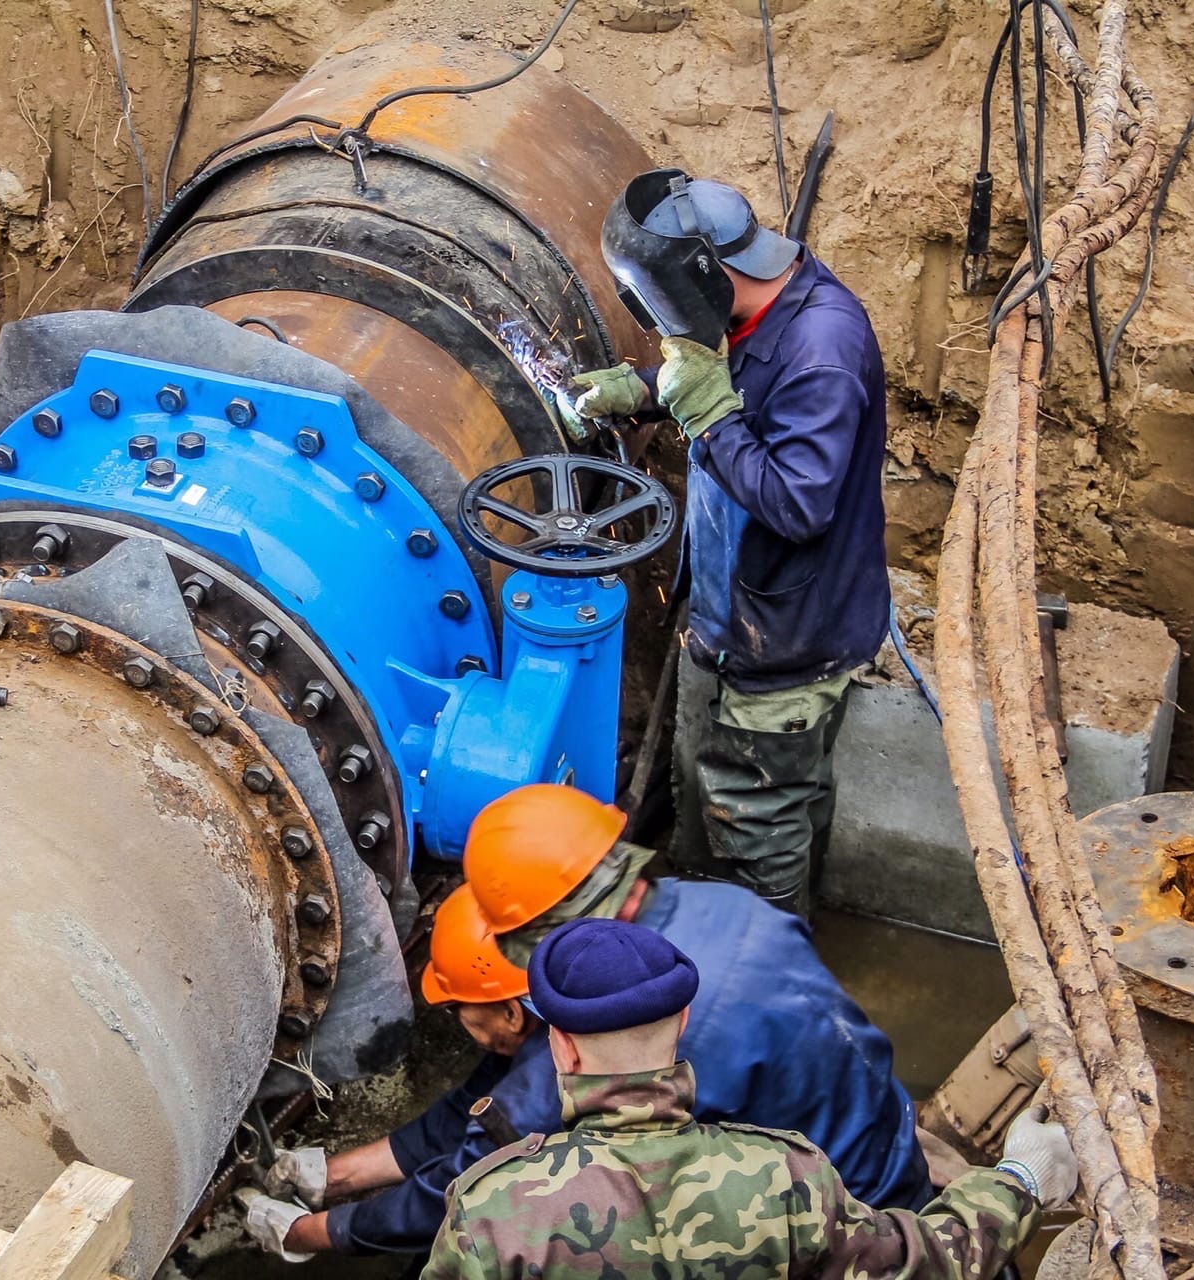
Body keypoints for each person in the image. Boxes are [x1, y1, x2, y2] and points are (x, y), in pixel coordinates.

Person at [239, 784, 930, 1263]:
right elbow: (479, 1111)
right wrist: (334, 1174)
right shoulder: (721, 907)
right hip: (883, 1147)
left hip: (830, 1231)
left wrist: (311, 1234)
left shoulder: (586, 1058)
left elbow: (456, 1199)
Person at [571, 173, 891, 918]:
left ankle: (774, 969)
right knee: (711, 795)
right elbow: (728, 379)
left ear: (704, 276)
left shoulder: (821, 350)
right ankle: (715, 929)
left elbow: (797, 503)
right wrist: (643, 387)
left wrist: (705, 418)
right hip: (728, 613)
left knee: (760, 818)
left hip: (785, 640)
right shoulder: (761, 309)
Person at [422, 918, 1073, 1279]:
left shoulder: (490, 1212)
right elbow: (930, 1263)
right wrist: (1022, 1178)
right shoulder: (782, 1175)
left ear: (560, 1047)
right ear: (681, 1026)